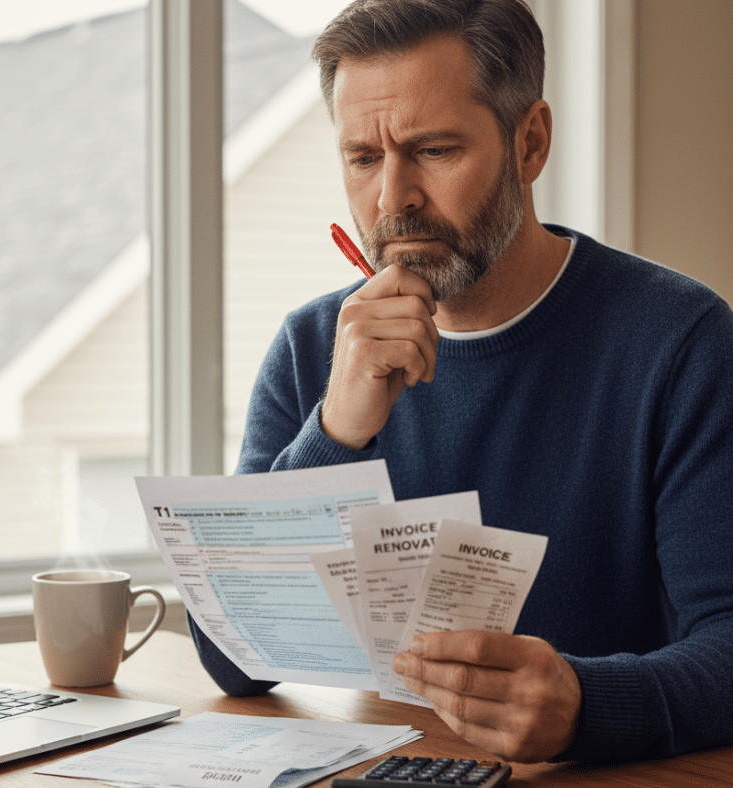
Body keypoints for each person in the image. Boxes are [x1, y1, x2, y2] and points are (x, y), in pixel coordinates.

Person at [189, 0, 733, 764]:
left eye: (434, 149)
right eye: (363, 158)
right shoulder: (315, 346)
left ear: (530, 142)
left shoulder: (681, 341)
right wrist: (335, 432)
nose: (392, 199)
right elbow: (231, 660)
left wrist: (587, 704)